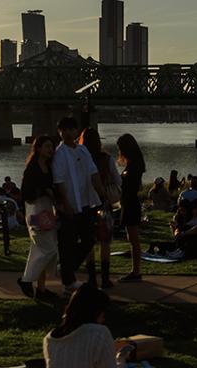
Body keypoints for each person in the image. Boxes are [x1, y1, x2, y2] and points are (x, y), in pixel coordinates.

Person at [52, 117, 108, 292]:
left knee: (89, 239)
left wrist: (102, 194)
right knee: (67, 243)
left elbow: (93, 173)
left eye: (71, 129)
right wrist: (66, 205)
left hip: (86, 204)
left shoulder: (83, 150)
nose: (68, 133)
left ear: (77, 131)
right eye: (64, 130)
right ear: (59, 132)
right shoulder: (59, 154)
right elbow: (59, 181)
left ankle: (66, 269)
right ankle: (68, 281)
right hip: (69, 206)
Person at [43, 284, 126, 368]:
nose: (103, 319)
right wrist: (120, 360)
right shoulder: (99, 334)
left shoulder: (50, 340)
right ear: (95, 312)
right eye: (103, 315)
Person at [19, 136, 59, 301]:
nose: (50, 149)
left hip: (48, 210)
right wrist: (44, 191)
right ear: (39, 148)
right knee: (48, 249)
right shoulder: (32, 168)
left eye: (52, 146)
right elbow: (26, 194)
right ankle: (26, 280)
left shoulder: (49, 166)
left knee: (39, 249)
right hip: (35, 211)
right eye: (47, 146)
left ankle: (41, 289)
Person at [79, 128, 117, 288]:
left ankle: (92, 278)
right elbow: (117, 180)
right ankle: (106, 279)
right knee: (105, 242)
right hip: (103, 204)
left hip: (85, 205)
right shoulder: (106, 159)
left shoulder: (79, 159)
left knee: (89, 242)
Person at [116, 133, 146, 283]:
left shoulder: (133, 166)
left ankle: (135, 271)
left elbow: (131, 185)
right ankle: (135, 270)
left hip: (130, 203)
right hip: (130, 203)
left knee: (133, 239)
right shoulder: (136, 164)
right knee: (132, 238)